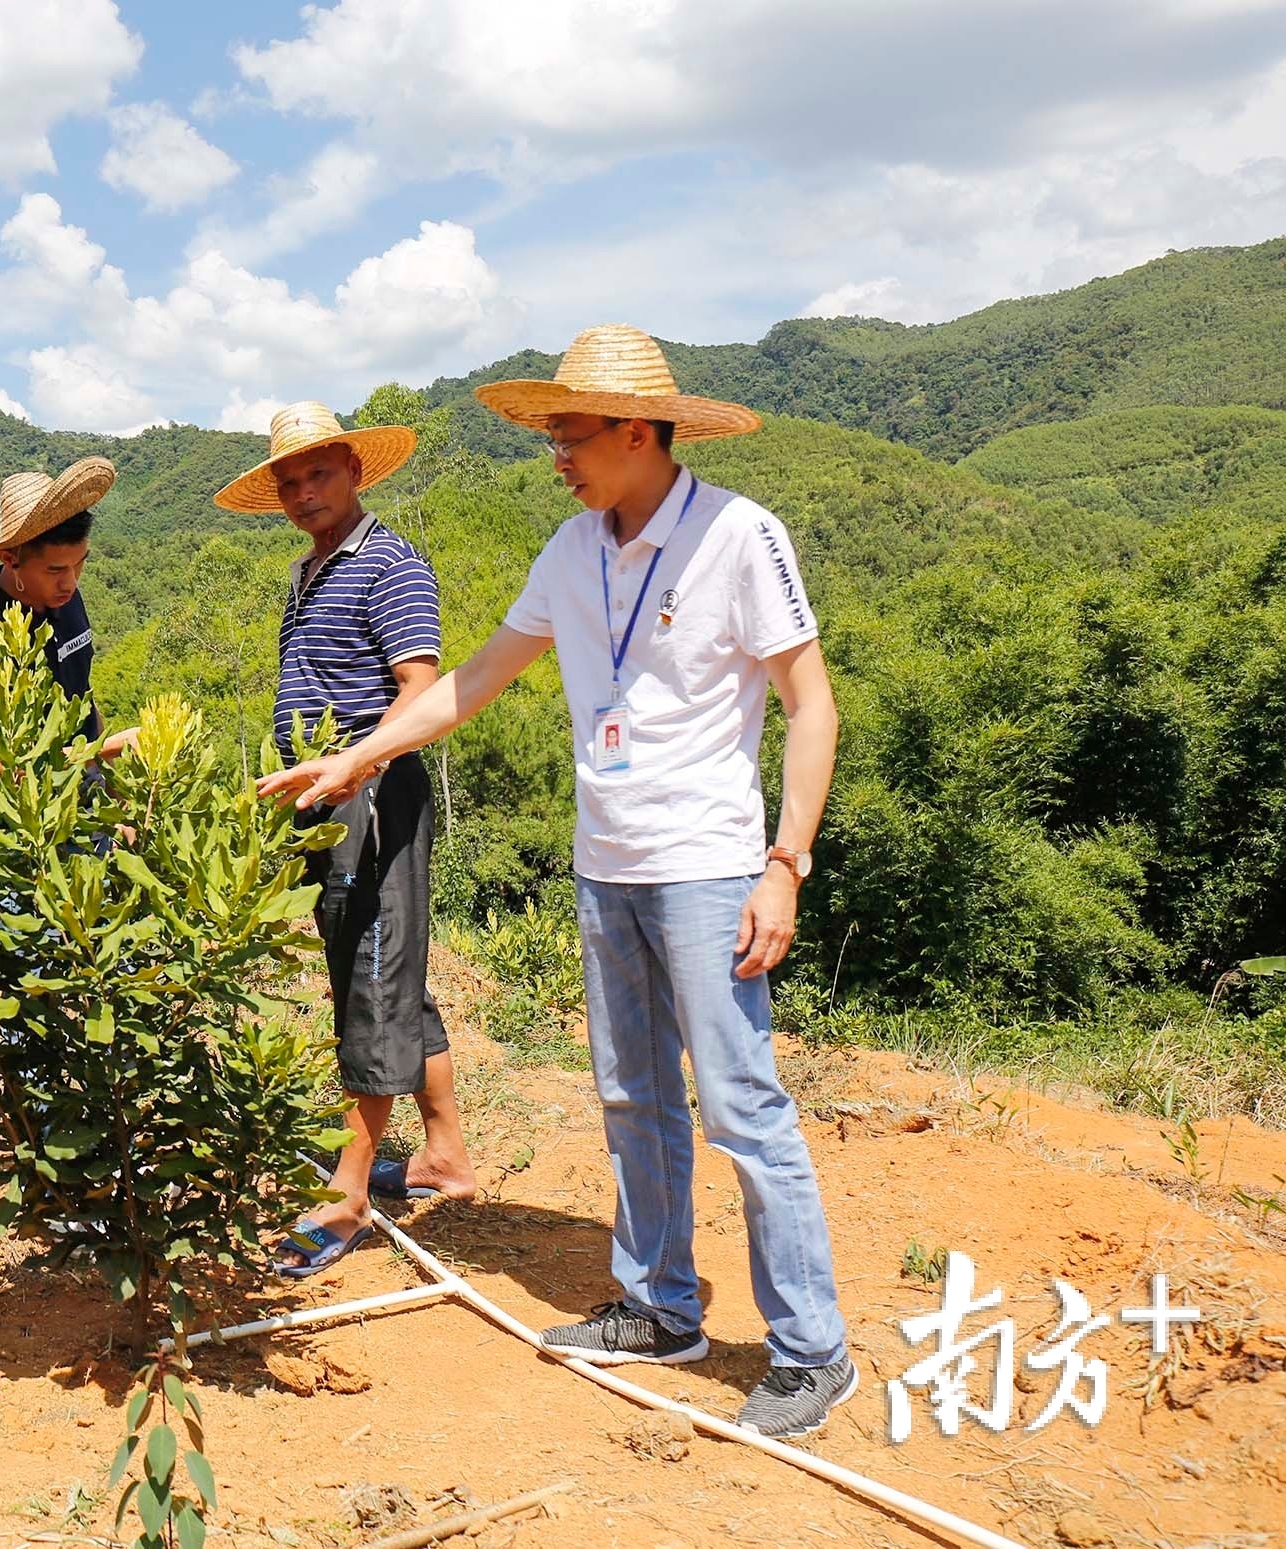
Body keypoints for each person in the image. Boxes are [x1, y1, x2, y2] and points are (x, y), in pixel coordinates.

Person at [261, 325, 856, 1439]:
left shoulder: (738, 534)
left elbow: (808, 702)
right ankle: (658, 1306)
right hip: (606, 865)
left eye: (568, 434)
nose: (555, 456)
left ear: (637, 433)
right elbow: (476, 677)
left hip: (709, 866)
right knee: (632, 1096)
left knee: (738, 1105)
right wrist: (357, 755)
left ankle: (811, 1351)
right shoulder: (571, 548)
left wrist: (785, 861)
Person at [212, 401, 481, 1279]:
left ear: (355, 472)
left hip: (375, 798)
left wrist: (355, 768)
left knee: (371, 974)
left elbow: (421, 687)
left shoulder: (391, 563)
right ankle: (442, 1153)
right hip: (324, 799)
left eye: (316, 474)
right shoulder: (306, 572)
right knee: (380, 966)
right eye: (287, 482)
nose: (301, 493)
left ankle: (349, 1191)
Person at [0, 456, 137, 764]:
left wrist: (114, 789)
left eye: (80, 563)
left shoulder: (67, 599)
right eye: (55, 570)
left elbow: (82, 695)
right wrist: (108, 749)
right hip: (33, 809)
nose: (70, 583)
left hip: (94, 800)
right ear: (9, 559)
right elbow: (1, 770)